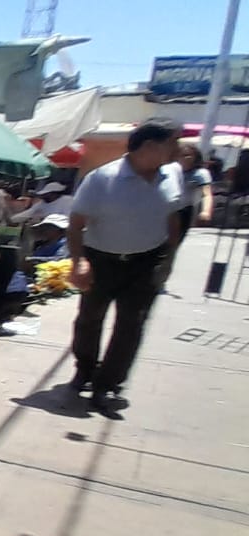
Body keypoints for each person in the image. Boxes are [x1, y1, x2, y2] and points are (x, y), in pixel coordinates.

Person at [67, 118, 185, 412]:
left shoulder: (172, 174)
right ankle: (85, 369)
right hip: (101, 260)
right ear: (149, 146)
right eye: (173, 142)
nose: (178, 149)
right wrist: (79, 262)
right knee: (89, 319)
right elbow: (76, 223)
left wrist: (169, 258)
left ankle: (108, 385)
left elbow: (173, 218)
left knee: (131, 325)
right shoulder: (102, 178)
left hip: (145, 262)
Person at [175, 144, 214, 244]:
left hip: (184, 211)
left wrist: (206, 211)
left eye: (189, 155)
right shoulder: (172, 171)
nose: (186, 158)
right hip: (166, 209)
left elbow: (207, 194)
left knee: (174, 242)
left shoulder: (200, 173)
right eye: (182, 155)